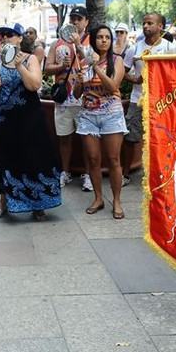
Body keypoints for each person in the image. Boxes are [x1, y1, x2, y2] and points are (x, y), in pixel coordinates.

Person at [0, 22, 61, 220]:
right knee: (3, 161)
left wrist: (18, 65)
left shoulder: (30, 59)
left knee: (34, 158)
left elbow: (34, 85)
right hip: (2, 122)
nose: (6, 38)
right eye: (3, 36)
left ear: (19, 38)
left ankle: (38, 203)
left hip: (29, 120)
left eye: (10, 34)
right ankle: (3, 201)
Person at [73, 25, 127, 218]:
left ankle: (117, 201)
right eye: (100, 37)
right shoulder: (83, 61)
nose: (104, 40)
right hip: (88, 116)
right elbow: (76, 93)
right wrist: (79, 81)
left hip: (111, 114)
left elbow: (113, 86)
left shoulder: (116, 60)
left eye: (107, 37)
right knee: (93, 159)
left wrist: (95, 66)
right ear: (94, 40)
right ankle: (98, 198)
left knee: (113, 160)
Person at [44, 6, 93, 192]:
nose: (75, 22)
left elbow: (92, 62)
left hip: (86, 100)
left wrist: (78, 45)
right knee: (64, 138)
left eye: (79, 19)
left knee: (87, 139)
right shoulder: (57, 44)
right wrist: (59, 66)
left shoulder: (91, 42)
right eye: (72, 18)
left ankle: (88, 174)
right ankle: (65, 172)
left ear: (86, 22)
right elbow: (47, 68)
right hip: (64, 100)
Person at [121, 12, 173, 187]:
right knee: (130, 138)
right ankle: (125, 174)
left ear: (160, 27)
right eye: (144, 23)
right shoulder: (134, 48)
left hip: (162, 101)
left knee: (161, 138)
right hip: (137, 100)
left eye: (150, 23)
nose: (145, 26)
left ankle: (160, 173)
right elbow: (123, 70)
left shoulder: (169, 47)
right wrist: (134, 79)